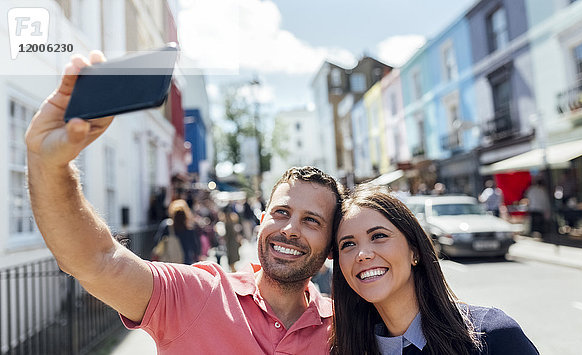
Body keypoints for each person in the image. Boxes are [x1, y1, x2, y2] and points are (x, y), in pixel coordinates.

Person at [25, 52, 345, 354]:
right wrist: (48, 166)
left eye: (312, 220)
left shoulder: (346, 329)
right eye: (281, 212)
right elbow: (97, 261)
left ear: (332, 247)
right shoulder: (199, 294)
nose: (290, 229)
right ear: (262, 220)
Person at [330, 184, 538, 355]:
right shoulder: (344, 348)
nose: (363, 254)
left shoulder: (491, 336)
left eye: (379, 236)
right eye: (348, 244)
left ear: (415, 251)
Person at [153, 199, 200, 265]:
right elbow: (195, 248)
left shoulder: (167, 226)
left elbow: (157, 241)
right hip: (186, 262)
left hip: (169, 262)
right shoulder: (189, 229)